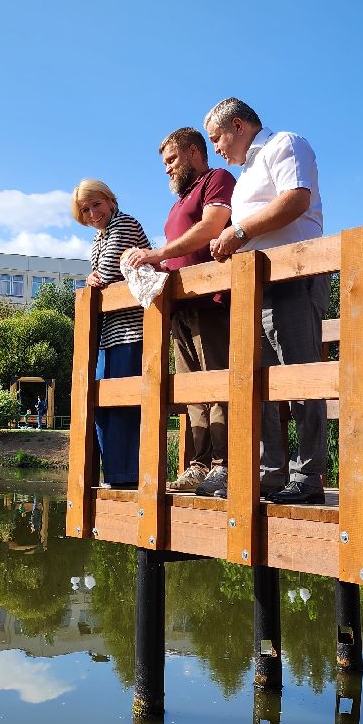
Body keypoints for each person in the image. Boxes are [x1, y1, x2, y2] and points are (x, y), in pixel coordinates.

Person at [203, 98, 327, 505]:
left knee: (301, 381)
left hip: (293, 275)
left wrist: (236, 233)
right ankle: (269, 474)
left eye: (217, 137)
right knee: (260, 384)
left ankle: (308, 478)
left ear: (238, 125)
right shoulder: (246, 173)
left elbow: (296, 199)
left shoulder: (285, 144)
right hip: (255, 286)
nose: (216, 148)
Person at [122, 127, 236, 493]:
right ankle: (200, 463)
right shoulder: (176, 205)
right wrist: (149, 266)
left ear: (192, 152)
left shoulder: (216, 180)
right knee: (190, 389)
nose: (167, 169)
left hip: (213, 301)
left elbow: (211, 227)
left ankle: (226, 463)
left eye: (171, 159)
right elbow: (177, 254)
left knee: (218, 382)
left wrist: (158, 254)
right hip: (182, 307)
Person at [73, 178, 151, 489]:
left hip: (131, 330)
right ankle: (116, 475)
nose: (93, 213)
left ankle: (126, 476)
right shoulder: (98, 238)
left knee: (122, 405)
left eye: (96, 204)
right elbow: (98, 274)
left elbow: (104, 275)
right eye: (85, 209)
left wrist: (93, 278)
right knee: (102, 405)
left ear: (109, 200)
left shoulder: (124, 225)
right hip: (109, 334)